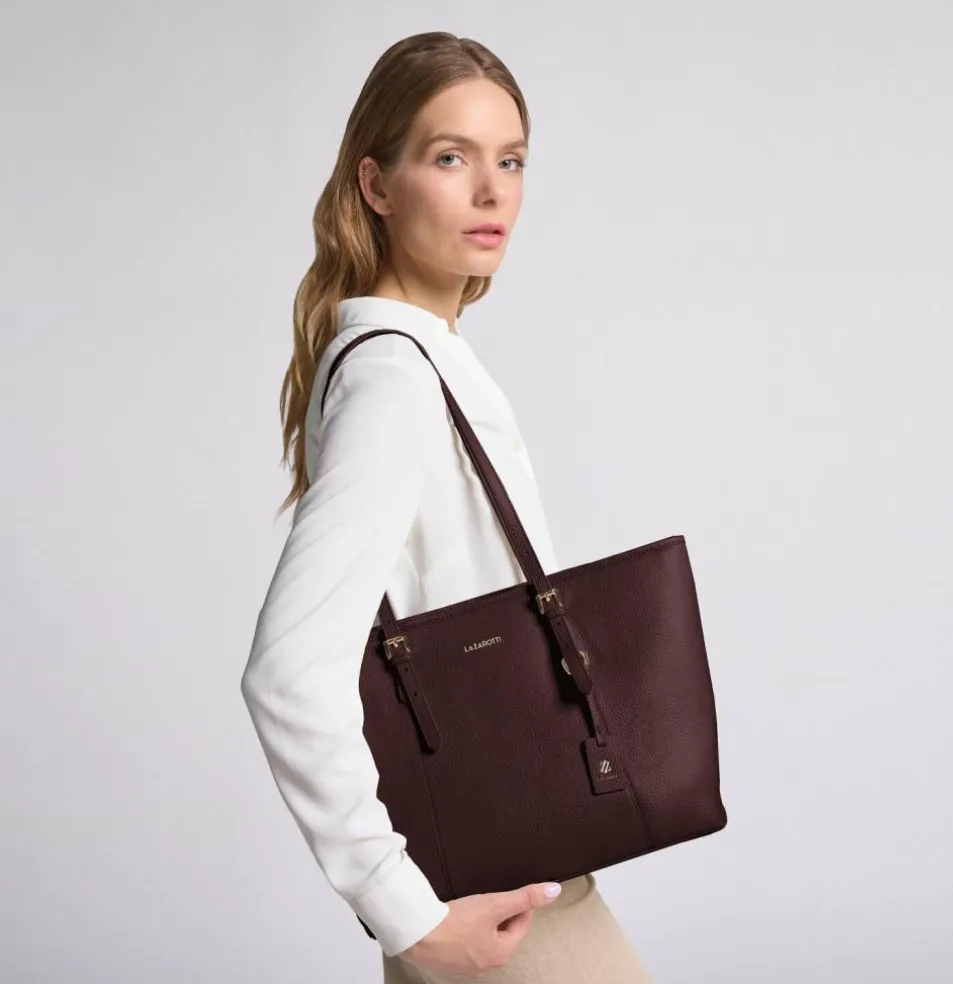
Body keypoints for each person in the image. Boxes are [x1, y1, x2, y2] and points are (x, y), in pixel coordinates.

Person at [239, 31, 655, 983]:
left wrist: (413, 914)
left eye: (511, 161)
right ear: (376, 185)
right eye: (451, 157)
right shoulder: (395, 378)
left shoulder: (410, 357)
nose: (492, 191)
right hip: (505, 891)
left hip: (483, 871)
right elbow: (287, 670)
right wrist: (405, 915)